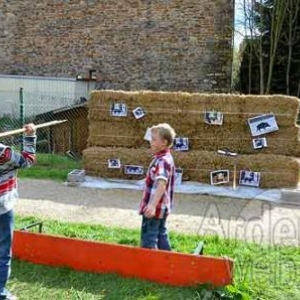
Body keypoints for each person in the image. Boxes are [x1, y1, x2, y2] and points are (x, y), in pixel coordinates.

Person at [0, 123, 36, 300]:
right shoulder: (3, 153)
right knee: (3, 251)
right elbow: (27, 160)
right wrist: (30, 135)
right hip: (2, 208)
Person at [139, 123, 176, 250]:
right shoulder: (166, 158)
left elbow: (162, 183)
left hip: (155, 208)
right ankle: (169, 262)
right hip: (162, 207)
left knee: (149, 239)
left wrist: (152, 205)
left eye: (154, 139)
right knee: (161, 235)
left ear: (164, 142)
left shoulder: (162, 161)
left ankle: (149, 264)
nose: (151, 142)